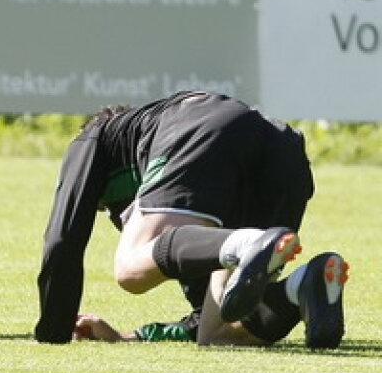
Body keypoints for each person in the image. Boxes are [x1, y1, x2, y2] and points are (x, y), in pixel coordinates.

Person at [35, 90, 349, 349]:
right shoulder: (199, 207)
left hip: (201, 123)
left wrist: (54, 331)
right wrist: (126, 338)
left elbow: (62, 239)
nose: (113, 215)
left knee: (130, 269)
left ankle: (245, 241)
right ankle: (303, 287)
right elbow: (202, 313)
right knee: (217, 332)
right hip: (284, 152)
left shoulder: (95, 136)